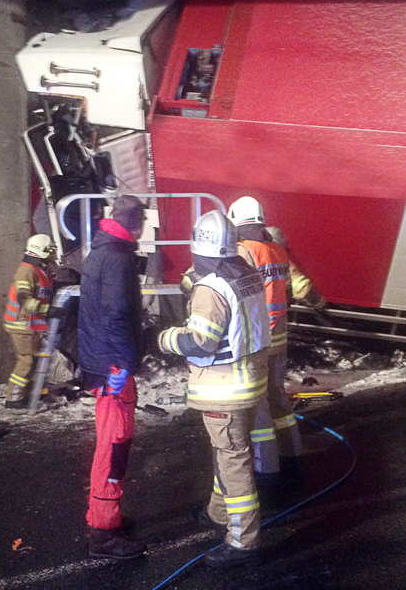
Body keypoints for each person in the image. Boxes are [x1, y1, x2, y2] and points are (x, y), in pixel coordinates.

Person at [157, 210, 270, 567]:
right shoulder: (246, 273)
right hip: (250, 382)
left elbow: (201, 342)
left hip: (225, 391)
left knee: (234, 462)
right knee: (229, 453)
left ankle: (243, 541)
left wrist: (166, 338)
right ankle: (218, 513)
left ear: (198, 248)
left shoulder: (211, 288)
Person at [77, 194, 147, 560]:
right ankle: (104, 531)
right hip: (112, 369)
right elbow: (117, 314)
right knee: (114, 447)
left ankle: (105, 516)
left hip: (102, 363)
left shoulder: (101, 251)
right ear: (137, 225)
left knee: (112, 441)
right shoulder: (118, 259)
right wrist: (121, 366)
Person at [227, 197, 304, 484]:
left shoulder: (244, 252)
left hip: (259, 340)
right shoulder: (277, 250)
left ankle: (266, 470)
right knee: (277, 398)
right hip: (278, 338)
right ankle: (292, 455)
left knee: (258, 405)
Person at [3, 234, 55, 409]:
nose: (52, 254)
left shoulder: (38, 271)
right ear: (41, 252)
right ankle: (14, 397)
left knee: (33, 360)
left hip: (30, 326)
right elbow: (23, 298)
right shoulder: (27, 271)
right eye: (49, 250)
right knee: (26, 361)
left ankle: (28, 393)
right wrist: (47, 310)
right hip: (22, 325)